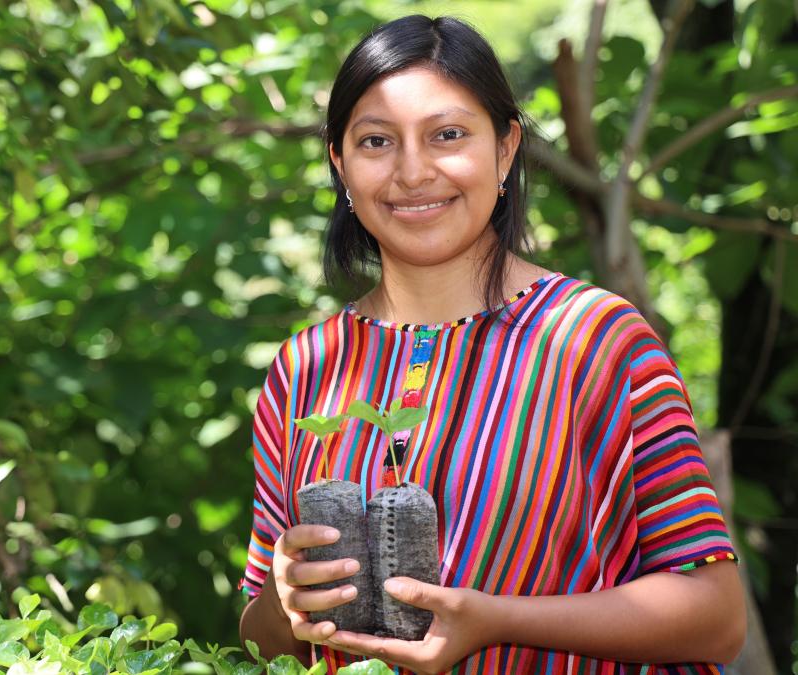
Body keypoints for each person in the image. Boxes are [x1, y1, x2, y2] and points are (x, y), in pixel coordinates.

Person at [237, 15, 746, 675]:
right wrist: (285, 603)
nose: (414, 171)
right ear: (339, 162)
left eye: (448, 135)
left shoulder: (595, 340)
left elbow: (717, 615)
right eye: (376, 141)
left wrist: (496, 619)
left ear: (506, 149)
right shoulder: (306, 368)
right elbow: (258, 637)